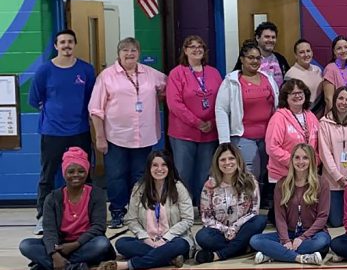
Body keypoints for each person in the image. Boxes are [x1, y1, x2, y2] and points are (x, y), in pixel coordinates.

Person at [88, 37, 168, 228]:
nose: (129, 53)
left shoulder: (150, 74)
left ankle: (138, 211)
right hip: (116, 136)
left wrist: (160, 97)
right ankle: (117, 212)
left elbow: (168, 87)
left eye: (133, 50)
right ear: (118, 54)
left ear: (138, 53)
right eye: (125, 50)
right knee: (116, 176)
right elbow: (95, 109)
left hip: (144, 137)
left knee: (140, 176)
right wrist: (99, 137)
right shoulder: (106, 76)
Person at [29, 29, 96, 235]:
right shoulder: (44, 70)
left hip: (79, 131)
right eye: (62, 42)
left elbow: (91, 100)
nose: (66, 45)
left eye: (70, 42)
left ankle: (89, 217)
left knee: (85, 175)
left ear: (74, 44)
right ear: (56, 46)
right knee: (47, 176)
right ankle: (42, 217)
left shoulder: (86, 70)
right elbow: (34, 99)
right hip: (52, 133)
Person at [19, 147, 114, 270]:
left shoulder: (96, 194)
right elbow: (49, 231)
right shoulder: (52, 198)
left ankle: (48, 266)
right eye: (71, 171)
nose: (76, 175)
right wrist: (54, 254)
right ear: (64, 173)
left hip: (84, 243)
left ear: (87, 172)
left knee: (101, 244)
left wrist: (75, 245)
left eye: (81, 171)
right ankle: (71, 267)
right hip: (59, 244)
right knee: (26, 245)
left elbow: (98, 227)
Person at [101, 151, 193, 270]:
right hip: (148, 240)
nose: (159, 169)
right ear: (149, 167)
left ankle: (129, 265)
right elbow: (131, 219)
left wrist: (165, 239)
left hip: (174, 240)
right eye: (155, 165)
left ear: (169, 167)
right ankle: (170, 259)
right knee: (121, 243)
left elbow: (188, 219)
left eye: (164, 165)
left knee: (181, 245)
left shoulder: (178, 187)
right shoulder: (139, 188)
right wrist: (146, 239)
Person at [215, 40, 279, 202]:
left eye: (258, 58)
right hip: (244, 136)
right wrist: (225, 142)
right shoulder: (231, 81)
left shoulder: (267, 79)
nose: (255, 61)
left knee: (265, 172)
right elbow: (221, 110)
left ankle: (259, 203)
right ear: (242, 59)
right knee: (250, 173)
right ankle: (247, 206)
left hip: (268, 137)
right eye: (250, 58)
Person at [166, 35, 223, 209]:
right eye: (192, 46)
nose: (196, 49)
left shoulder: (213, 72)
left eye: (200, 46)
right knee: (183, 173)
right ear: (185, 50)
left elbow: (222, 100)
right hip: (184, 133)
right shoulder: (177, 73)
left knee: (205, 173)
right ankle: (184, 209)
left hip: (210, 132)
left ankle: (203, 208)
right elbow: (174, 104)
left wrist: (213, 122)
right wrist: (197, 122)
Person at [250, 144, 330, 265]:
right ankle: (300, 258)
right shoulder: (282, 184)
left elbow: (322, 217)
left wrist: (302, 238)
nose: (300, 161)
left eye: (305, 158)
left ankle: (273, 254)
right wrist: (286, 240)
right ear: (291, 160)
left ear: (311, 160)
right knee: (255, 240)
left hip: (312, 234)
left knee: (322, 242)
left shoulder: (321, 183)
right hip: (289, 232)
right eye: (297, 157)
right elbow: (280, 217)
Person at [195, 143, 267, 263]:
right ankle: (242, 248)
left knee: (260, 220)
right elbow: (206, 217)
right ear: (217, 163)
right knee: (202, 236)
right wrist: (225, 230)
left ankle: (219, 255)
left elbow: (253, 211)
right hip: (220, 232)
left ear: (238, 160)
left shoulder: (250, 180)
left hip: (242, 229)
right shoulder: (209, 185)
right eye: (223, 159)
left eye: (231, 158)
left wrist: (234, 228)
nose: (227, 163)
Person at [317, 86, 347, 227]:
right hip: (333, 181)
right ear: (335, 99)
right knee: (337, 222)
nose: (343, 102)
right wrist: (338, 177)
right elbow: (324, 153)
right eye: (341, 98)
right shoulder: (324, 123)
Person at [266, 79, 319, 189]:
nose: (298, 96)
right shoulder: (278, 118)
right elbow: (272, 147)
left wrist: (313, 163)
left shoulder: (311, 116)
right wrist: (297, 162)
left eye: (300, 92)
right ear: (286, 97)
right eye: (293, 93)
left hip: (307, 176)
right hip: (283, 177)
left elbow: (319, 144)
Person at [233, 22, 290, 88]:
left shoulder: (280, 59)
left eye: (273, 37)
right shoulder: (248, 59)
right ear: (257, 38)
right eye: (267, 37)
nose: (271, 40)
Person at [285, 38, 324, 106]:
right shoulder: (290, 75)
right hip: (303, 112)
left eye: (308, 51)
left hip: (321, 111)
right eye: (301, 52)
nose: (306, 54)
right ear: (296, 55)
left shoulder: (318, 69)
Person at [322, 34, 347, 110]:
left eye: (346, 47)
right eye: (339, 48)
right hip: (335, 115)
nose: (343, 50)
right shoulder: (330, 68)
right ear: (334, 52)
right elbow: (328, 99)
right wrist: (336, 118)